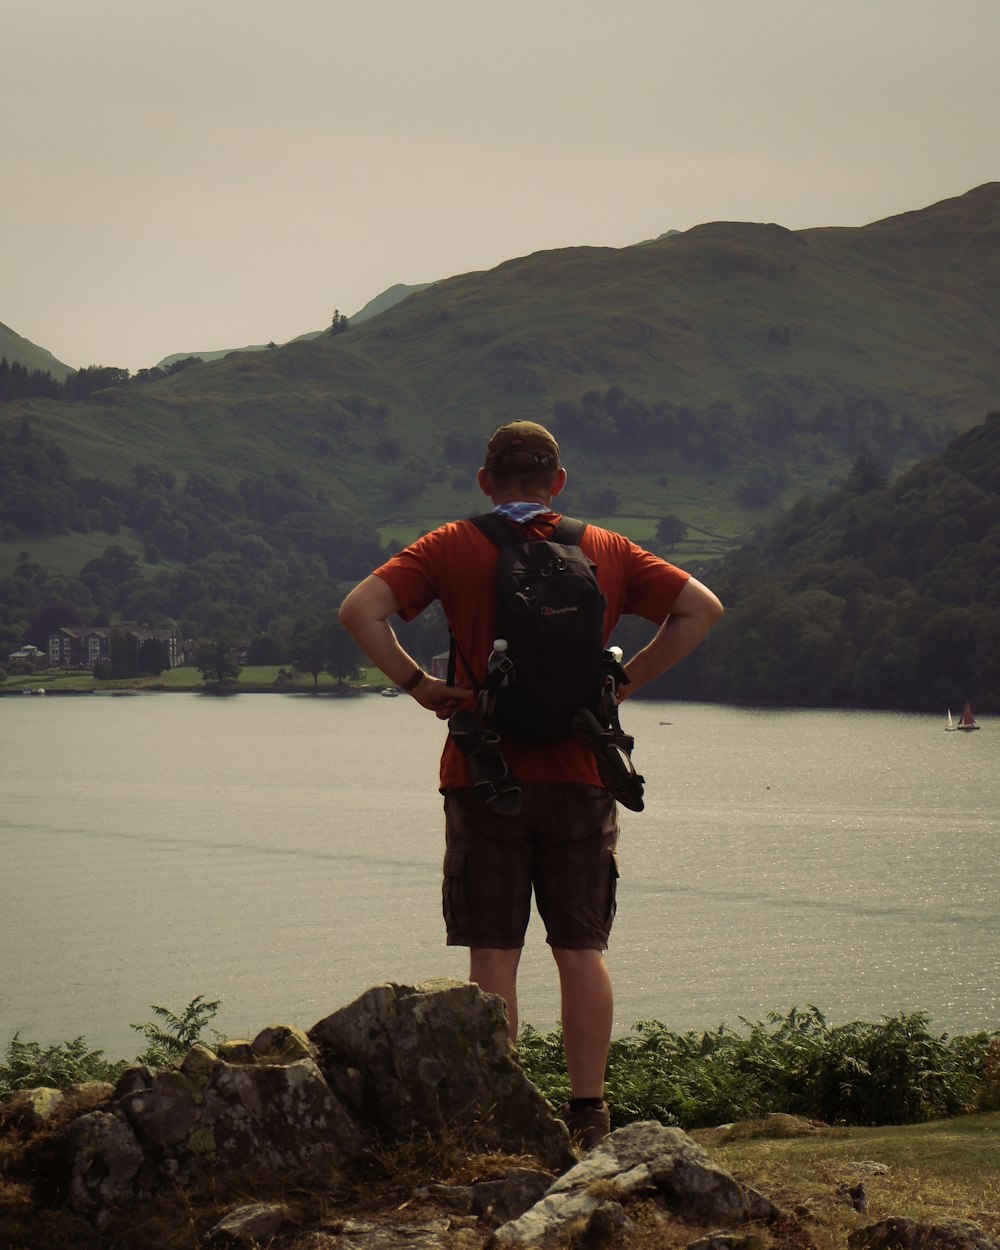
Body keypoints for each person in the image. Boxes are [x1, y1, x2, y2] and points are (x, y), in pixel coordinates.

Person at [339, 420, 723, 1148]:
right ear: (559, 482)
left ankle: (500, 1118)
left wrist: (418, 684)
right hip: (583, 770)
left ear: (487, 482)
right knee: (580, 947)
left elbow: (359, 611)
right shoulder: (606, 549)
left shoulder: (452, 544)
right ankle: (589, 1113)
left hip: (485, 773)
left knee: (495, 950)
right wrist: (625, 683)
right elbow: (701, 610)